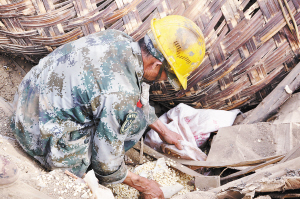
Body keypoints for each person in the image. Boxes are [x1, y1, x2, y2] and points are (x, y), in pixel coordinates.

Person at [10, 15, 205, 198]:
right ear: (156, 65)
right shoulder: (121, 96)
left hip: (26, 101)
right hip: (33, 135)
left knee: (131, 114)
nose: (163, 81)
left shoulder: (118, 38)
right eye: (167, 76)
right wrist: (143, 184)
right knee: (129, 124)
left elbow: (116, 94)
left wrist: (164, 131)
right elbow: (106, 166)